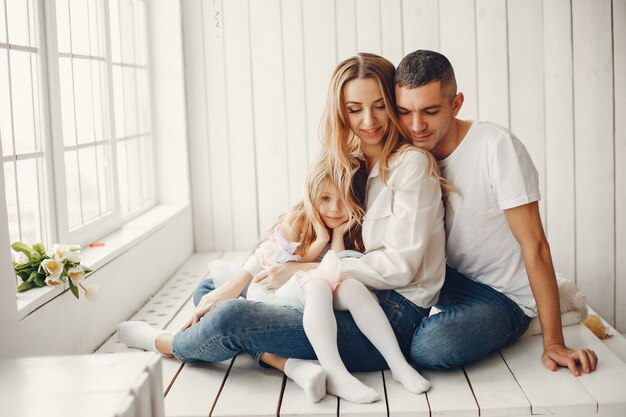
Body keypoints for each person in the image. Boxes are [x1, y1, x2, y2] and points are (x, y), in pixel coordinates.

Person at [116, 52, 447, 399]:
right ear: (341, 111)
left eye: (380, 106)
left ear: (393, 104)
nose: (369, 120)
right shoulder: (348, 160)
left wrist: (302, 269)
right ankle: (290, 365)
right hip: (335, 301)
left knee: (230, 318)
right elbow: (293, 227)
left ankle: (162, 341)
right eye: (354, 109)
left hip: (387, 319)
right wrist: (238, 281)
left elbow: (401, 267)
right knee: (214, 287)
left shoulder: (411, 166)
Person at [394, 49, 598, 376]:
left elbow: (536, 245)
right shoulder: (408, 153)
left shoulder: (496, 146)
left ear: (456, 104)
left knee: (431, 347)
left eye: (430, 111)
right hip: (448, 279)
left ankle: (535, 315)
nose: (416, 126)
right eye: (405, 112)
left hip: (505, 297)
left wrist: (554, 343)